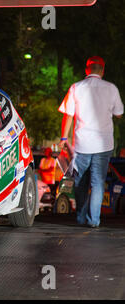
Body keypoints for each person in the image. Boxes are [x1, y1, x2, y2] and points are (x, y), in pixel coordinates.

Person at [58, 56, 123, 228]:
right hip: (103, 145)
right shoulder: (111, 88)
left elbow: (68, 115)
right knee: (98, 182)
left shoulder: (76, 88)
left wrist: (64, 138)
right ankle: (94, 220)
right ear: (102, 70)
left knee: (81, 182)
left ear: (87, 70)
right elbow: (119, 113)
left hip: (82, 145)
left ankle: (81, 217)